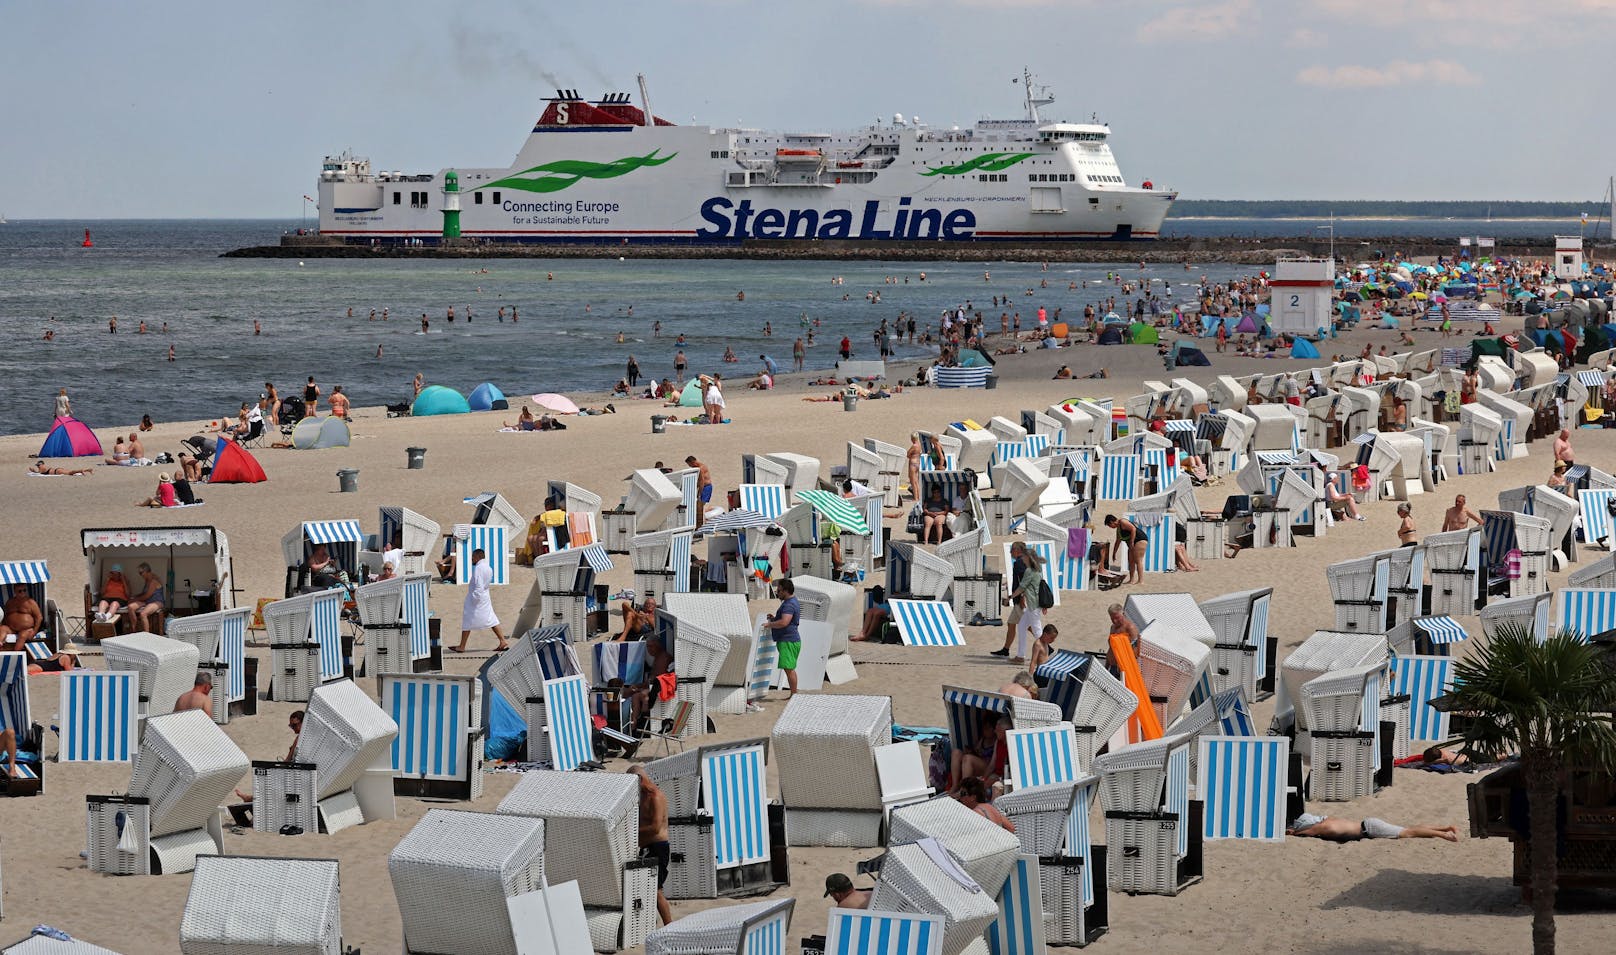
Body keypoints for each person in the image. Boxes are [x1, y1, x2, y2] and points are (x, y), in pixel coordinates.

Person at [231, 711, 305, 810]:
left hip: (296, 777)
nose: (293, 729)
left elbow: (287, 761)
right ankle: (251, 798)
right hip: (301, 775)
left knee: (271, 781)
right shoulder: (309, 738)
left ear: (303, 723)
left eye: (294, 725)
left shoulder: (299, 739)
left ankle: (251, 798)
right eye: (291, 726)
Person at [629, 766, 674, 926]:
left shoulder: (656, 796)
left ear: (639, 779)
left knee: (656, 889)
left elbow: (655, 827)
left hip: (658, 847)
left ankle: (669, 925)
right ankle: (649, 923)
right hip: (646, 848)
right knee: (643, 887)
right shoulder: (641, 796)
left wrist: (633, 832)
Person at [452, 548, 508, 652]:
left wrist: (473, 599)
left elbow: (479, 585)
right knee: (491, 618)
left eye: (473, 557)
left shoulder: (479, 568)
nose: (471, 559)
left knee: (468, 619)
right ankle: (502, 641)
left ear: (477, 557)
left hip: (478, 598)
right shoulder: (488, 567)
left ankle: (462, 646)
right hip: (485, 596)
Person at [1288, 812, 1458, 842]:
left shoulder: (1322, 827)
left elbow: (1308, 832)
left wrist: (1293, 833)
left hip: (1369, 829)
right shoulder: (1327, 820)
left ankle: (1444, 835)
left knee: (1408, 832)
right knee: (1407, 828)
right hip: (1368, 824)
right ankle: (1444, 828)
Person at [1008, 547, 1044, 663]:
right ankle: (1020, 656)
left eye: (1023, 556)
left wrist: (1011, 597)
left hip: (1033, 604)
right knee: (1022, 626)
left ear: (1028, 557)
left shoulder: (1029, 571)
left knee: (1037, 630)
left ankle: (1043, 656)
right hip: (1034, 604)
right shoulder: (1038, 569)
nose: (1022, 558)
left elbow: (1022, 587)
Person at [765, 579, 801, 698]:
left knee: (789, 669)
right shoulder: (791, 601)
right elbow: (786, 620)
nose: (777, 593)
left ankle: (794, 694)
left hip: (788, 641)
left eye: (779, 590)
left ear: (785, 590)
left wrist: (770, 624)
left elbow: (784, 622)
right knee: (789, 668)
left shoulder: (789, 604)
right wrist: (775, 618)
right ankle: (794, 693)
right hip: (790, 640)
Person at [994, 541, 1028, 657]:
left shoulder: (1019, 563)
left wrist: (1023, 597)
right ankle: (1005, 650)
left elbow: (1024, 581)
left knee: (1029, 625)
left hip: (1021, 599)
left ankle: (1046, 645)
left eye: (1012, 550)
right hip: (1018, 599)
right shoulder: (1025, 560)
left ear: (1018, 550)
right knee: (1011, 623)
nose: (1010, 552)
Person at [1104, 514, 1149, 585]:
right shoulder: (1118, 528)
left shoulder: (1122, 522)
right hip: (1132, 544)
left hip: (1140, 540)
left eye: (1110, 526)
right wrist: (1114, 553)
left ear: (1112, 522)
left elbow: (1133, 529)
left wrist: (1131, 542)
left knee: (1138, 560)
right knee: (1131, 561)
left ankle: (1141, 581)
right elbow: (1118, 541)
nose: (1110, 527)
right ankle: (1131, 580)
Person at [125, 562, 166, 632]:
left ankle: (146, 636)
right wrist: (134, 597)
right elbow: (144, 593)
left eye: (141, 573)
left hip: (157, 601)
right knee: (130, 607)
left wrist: (134, 599)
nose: (140, 575)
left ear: (147, 571)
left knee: (143, 614)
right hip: (147, 601)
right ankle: (134, 628)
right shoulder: (147, 579)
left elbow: (147, 596)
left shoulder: (154, 580)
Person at [685, 455, 713, 529]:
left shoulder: (700, 468)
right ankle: (700, 525)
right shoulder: (699, 467)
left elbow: (702, 482)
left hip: (706, 487)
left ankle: (700, 526)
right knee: (700, 506)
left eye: (690, 465)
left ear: (693, 462)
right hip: (705, 487)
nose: (690, 467)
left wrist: (699, 493)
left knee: (700, 507)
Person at [907, 433, 923, 502]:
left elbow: (908, 454)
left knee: (913, 481)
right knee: (916, 481)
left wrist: (910, 457)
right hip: (918, 463)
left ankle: (916, 498)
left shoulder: (914, 446)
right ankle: (918, 496)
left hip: (913, 463)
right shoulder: (920, 445)